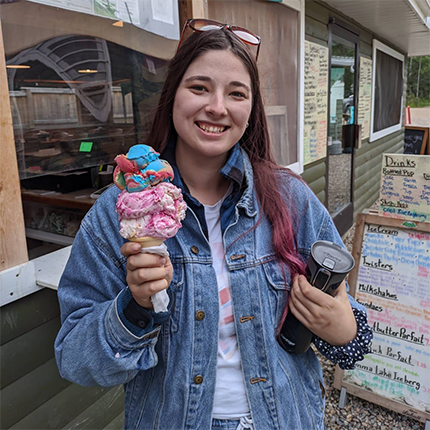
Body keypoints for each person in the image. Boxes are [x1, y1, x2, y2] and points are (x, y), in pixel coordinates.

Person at [55, 19, 372, 430]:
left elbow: (354, 331)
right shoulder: (119, 211)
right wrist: (133, 307)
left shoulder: (289, 199)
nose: (217, 107)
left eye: (236, 93)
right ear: (173, 95)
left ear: (251, 108)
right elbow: (74, 358)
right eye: (199, 87)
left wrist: (344, 329)